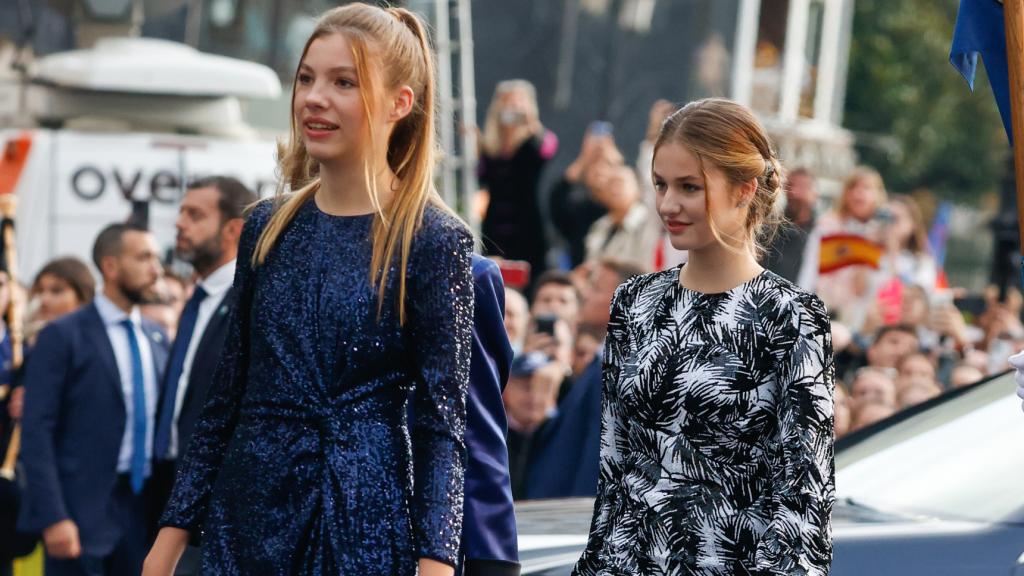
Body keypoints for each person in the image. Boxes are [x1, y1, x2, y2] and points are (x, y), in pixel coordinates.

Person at [145, 5, 474, 576]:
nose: (314, 98)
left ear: (400, 103)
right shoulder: (266, 226)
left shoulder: (433, 240)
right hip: (246, 519)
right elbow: (227, 396)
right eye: (306, 78)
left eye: (344, 82)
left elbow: (443, 423)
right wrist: (169, 539)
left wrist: (437, 561)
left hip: (363, 522)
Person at [574, 98, 834, 575]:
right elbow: (613, 474)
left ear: (743, 189)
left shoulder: (789, 317)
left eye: (689, 187)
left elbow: (804, 503)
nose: (668, 204)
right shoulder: (634, 303)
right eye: (660, 185)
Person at [18, 223, 169, 576]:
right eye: (144, 257)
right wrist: (54, 517)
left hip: (143, 514)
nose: (156, 270)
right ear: (111, 266)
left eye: (157, 258)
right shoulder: (63, 335)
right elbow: (37, 430)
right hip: (78, 516)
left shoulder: (157, 338)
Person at [148, 177, 256, 573]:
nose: (180, 223)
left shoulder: (250, 300)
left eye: (195, 215)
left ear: (233, 230)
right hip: (169, 497)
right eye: (180, 212)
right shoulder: (198, 300)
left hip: (218, 513)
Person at [460, 255, 519, 576]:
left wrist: (494, 560)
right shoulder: (287, 242)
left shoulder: (463, 273)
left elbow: (476, 430)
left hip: (415, 537)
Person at [477, 79, 557, 288]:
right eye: (507, 104)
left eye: (518, 104)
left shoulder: (533, 141)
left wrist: (530, 123)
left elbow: (547, 149)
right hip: (495, 225)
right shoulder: (491, 146)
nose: (511, 110)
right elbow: (481, 177)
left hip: (528, 226)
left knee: (530, 281)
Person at [763, 167, 818, 283]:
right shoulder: (770, 230)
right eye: (790, 186)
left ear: (814, 193)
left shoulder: (820, 232)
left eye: (802, 187)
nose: (794, 192)